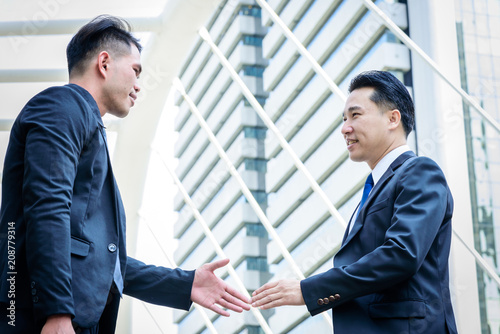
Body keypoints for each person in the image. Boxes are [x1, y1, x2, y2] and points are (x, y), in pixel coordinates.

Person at [0, 15, 250, 334]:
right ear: (104, 63)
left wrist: (184, 284)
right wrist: (56, 312)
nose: (138, 85)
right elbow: (47, 209)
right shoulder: (61, 106)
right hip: (40, 317)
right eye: (135, 70)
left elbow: (105, 261)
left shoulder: (85, 122)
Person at [251, 70, 458, 333]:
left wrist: (308, 290)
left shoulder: (419, 171)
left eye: (355, 115)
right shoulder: (373, 189)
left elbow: (401, 254)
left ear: (393, 119)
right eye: (344, 119)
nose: (345, 128)